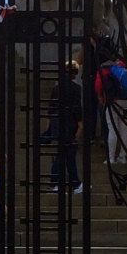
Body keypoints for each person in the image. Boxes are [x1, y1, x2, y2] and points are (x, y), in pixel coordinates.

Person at [95, 48, 127, 164]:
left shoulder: (103, 70)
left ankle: (111, 158)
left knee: (112, 128)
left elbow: (98, 86)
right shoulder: (120, 65)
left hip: (112, 102)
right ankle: (123, 157)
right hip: (125, 101)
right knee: (124, 129)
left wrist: (101, 97)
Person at [48, 60, 83, 193]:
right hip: (69, 122)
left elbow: (51, 109)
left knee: (62, 153)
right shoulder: (76, 88)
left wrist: (50, 128)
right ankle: (73, 184)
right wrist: (80, 125)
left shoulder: (56, 88)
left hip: (57, 122)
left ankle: (68, 183)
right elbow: (76, 108)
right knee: (69, 152)